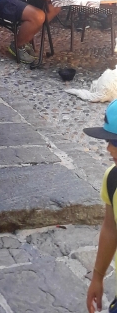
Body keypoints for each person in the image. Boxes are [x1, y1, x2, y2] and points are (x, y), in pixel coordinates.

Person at [84, 99, 117, 312]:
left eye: (116, 142)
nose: (109, 148)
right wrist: (97, 277)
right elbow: (111, 228)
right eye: (108, 140)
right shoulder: (113, 179)